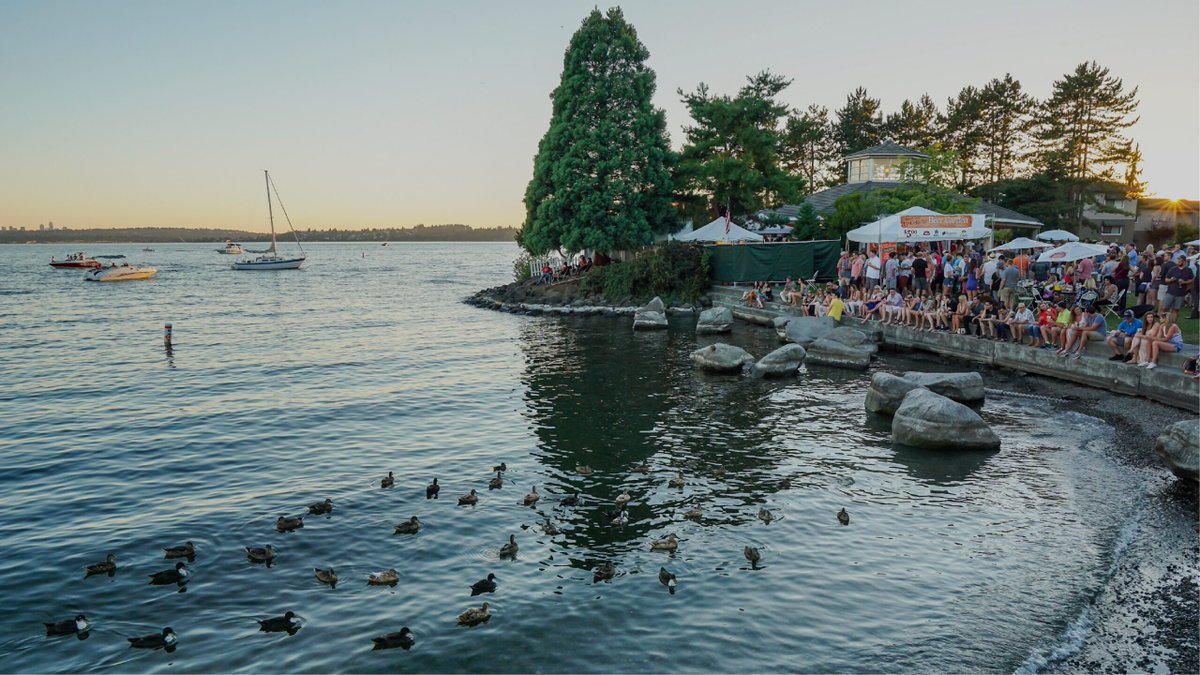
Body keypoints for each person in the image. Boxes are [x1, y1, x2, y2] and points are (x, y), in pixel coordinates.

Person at [1162, 257, 1195, 325]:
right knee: (1165, 308)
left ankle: (1173, 324)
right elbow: (1166, 279)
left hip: (1181, 293)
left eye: (1180, 261)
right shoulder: (1173, 269)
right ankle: (1163, 323)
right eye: (1178, 261)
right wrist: (1171, 280)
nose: (1178, 262)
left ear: (1184, 262)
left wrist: (1184, 282)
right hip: (1170, 292)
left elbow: (1192, 280)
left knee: (1176, 309)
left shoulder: (1188, 270)